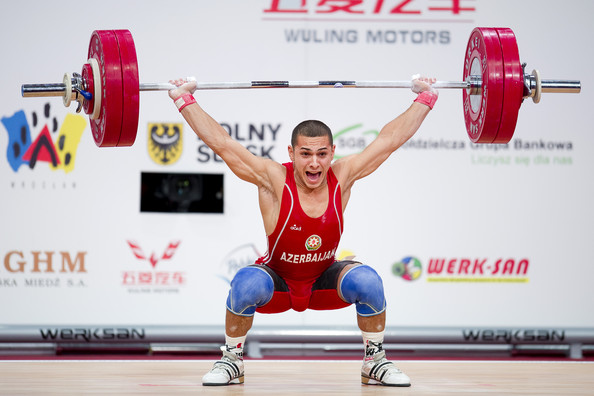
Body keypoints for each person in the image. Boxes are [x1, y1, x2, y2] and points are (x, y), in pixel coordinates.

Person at [168, 75, 438, 387]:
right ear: (292, 152)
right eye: (305, 154)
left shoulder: (344, 175)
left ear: (332, 152)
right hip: (277, 283)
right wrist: (183, 100)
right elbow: (222, 144)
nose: (314, 163)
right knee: (245, 283)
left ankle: (374, 360)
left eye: (322, 154)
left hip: (323, 281)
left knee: (368, 280)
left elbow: (388, 141)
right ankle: (232, 360)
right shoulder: (273, 178)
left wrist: (425, 100)